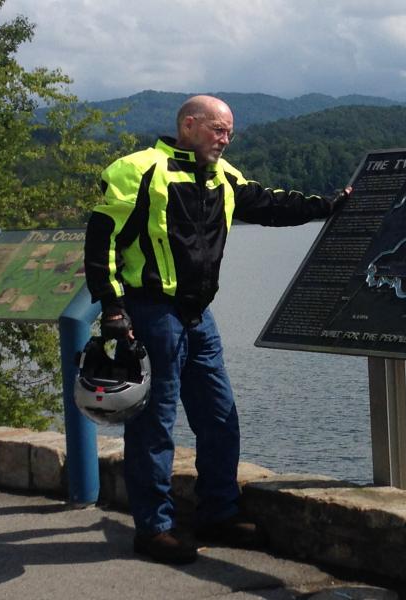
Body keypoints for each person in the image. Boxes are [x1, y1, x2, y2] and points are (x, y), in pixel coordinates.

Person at [84, 95, 350, 564]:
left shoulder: (223, 176)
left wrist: (329, 206)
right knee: (154, 425)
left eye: (229, 132)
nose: (226, 140)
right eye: (218, 130)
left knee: (219, 416)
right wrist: (112, 308)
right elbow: (101, 239)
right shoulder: (139, 170)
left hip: (198, 315)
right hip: (152, 312)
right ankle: (154, 529)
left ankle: (218, 513)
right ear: (189, 125)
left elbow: (269, 204)